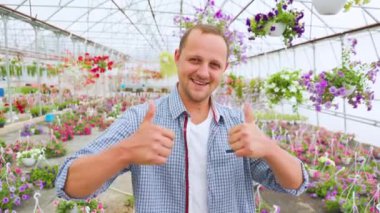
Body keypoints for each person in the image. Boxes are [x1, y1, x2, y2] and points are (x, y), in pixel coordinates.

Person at [55, 24, 309, 212]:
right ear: (177, 58)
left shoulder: (238, 125)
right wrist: (124, 152)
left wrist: (270, 148)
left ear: (224, 70)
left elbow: (295, 185)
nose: (203, 72)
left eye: (214, 65)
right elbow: (69, 184)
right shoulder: (141, 120)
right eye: (194, 60)